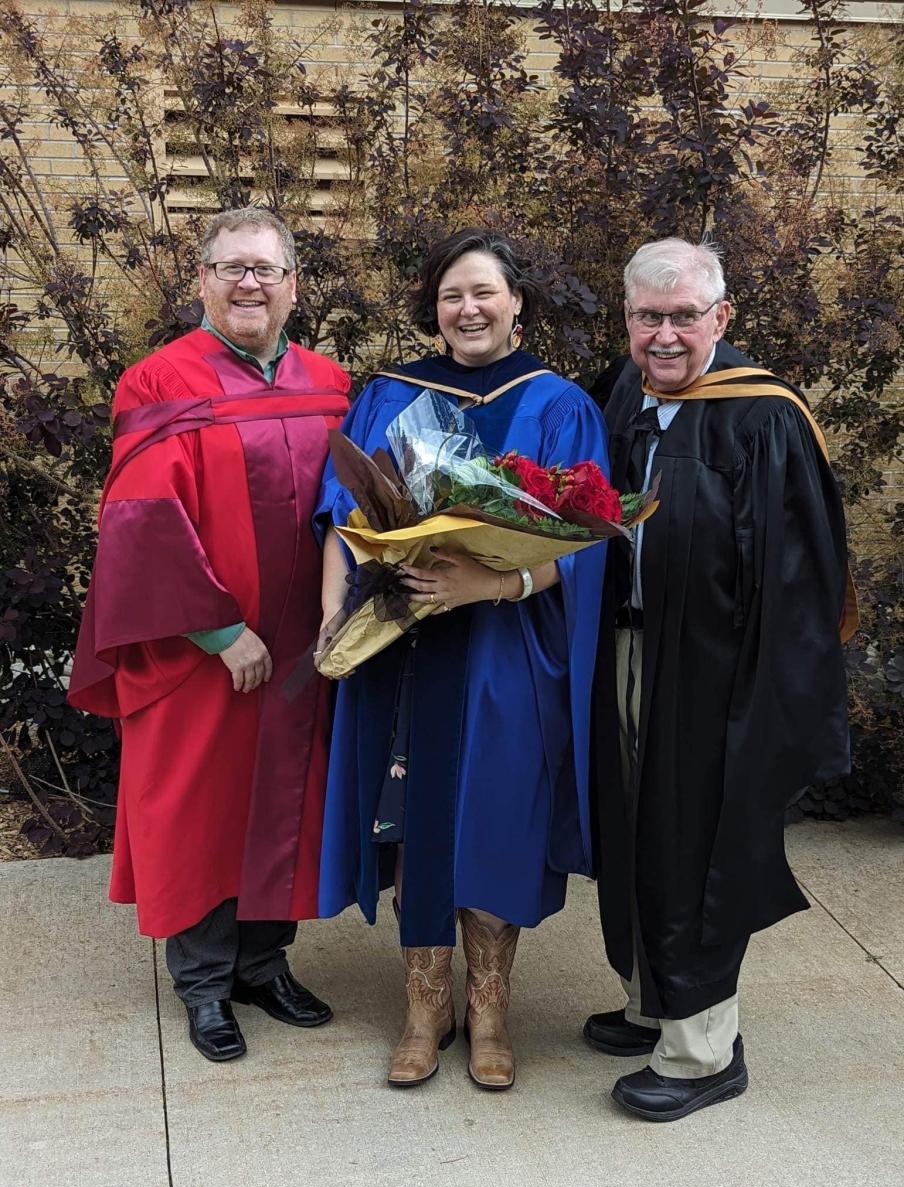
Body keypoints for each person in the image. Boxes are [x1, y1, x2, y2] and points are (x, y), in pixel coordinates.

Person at [315, 229, 608, 1090]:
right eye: (452, 295)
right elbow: (345, 515)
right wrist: (334, 614)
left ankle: (489, 1008)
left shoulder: (558, 404)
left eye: (484, 292)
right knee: (409, 815)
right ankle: (423, 1004)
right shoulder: (388, 394)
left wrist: (489, 586)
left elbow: (589, 540)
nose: (468, 309)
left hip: (505, 648)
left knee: (496, 812)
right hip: (403, 644)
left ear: (517, 302)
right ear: (433, 308)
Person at [69, 208, 350, 1062]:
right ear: (201, 281)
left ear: (293, 286)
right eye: (230, 268)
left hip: (302, 645)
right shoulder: (160, 380)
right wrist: (220, 630)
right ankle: (202, 984)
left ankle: (262, 964)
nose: (248, 284)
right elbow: (143, 522)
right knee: (199, 803)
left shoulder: (330, 382)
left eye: (264, 269)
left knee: (282, 800)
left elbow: (353, 514)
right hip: (199, 648)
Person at [586, 237, 852, 1121]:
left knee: (692, 844)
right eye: (647, 317)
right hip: (627, 654)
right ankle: (651, 1000)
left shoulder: (762, 418)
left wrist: (763, 707)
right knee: (633, 829)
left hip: (713, 678)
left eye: (684, 317)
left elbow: (800, 586)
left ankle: (702, 1054)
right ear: (627, 318)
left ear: (721, 317)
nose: (665, 336)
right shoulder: (626, 390)